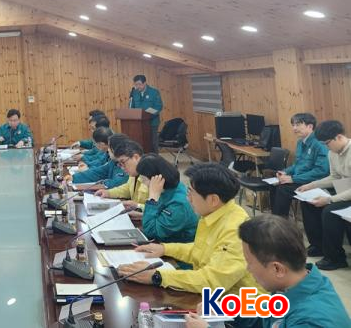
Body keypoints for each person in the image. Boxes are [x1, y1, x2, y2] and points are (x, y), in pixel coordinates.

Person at [185, 214, 349, 328]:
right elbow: (265, 311)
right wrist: (224, 308)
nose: (247, 269)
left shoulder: (310, 321)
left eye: (250, 263)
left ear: (277, 269)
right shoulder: (294, 285)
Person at [118, 163, 259, 295]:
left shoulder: (236, 231)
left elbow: (212, 281)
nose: (188, 198)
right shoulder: (215, 213)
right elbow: (201, 250)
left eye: (191, 192)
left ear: (213, 200)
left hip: (240, 305)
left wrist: (157, 276)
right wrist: (164, 249)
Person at [297, 119, 351, 270]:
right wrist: (311, 185)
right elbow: (334, 177)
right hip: (344, 190)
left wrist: (329, 199)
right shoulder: (333, 153)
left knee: (329, 211)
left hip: (348, 193)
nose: (326, 147)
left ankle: (336, 258)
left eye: (327, 143)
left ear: (339, 137)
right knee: (308, 202)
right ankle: (318, 246)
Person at [271, 113, 329, 216]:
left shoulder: (319, 143)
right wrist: (285, 172)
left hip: (312, 181)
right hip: (300, 179)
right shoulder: (300, 143)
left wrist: (293, 179)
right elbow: (297, 165)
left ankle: (279, 222)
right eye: (293, 125)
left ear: (310, 126)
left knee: (283, 189)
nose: (294, 128)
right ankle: (274, 220)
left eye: (298, 125)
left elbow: (321, 171)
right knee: (274, 185)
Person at [135, 155, 198, 243]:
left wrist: (152, 199)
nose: (143, 183)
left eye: (144, 179)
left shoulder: (179, 204)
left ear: (158, 179)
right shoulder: (169, 189)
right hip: (164, 241)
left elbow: (151, 232)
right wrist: (142, 214)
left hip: (175, 247)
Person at [94, 141, 148, 217]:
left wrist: (138, 206)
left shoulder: (152, 175)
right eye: (120, 164)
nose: (122, 168)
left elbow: (161, 209)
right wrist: (108, 193)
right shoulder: (134, 173)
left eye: (123, 162)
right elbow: (127, 188)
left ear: (136, 157)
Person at [129, 74, 163, 153]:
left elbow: (159, 106)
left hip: (152, 123)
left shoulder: (154, 92)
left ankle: (155, 159)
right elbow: (131, 107)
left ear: (144, 83)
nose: (137, 86)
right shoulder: (134, 93)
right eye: (136, 84)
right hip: (138, 123)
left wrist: (147, 115)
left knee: (153, 143)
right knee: (139, 142)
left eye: (139, 84)